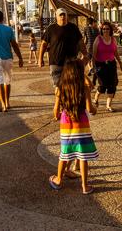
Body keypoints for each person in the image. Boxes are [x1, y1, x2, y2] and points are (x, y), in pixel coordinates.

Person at [49, 61, 98, 195]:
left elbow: (55, 112)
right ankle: (85, 186)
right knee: (83, 156)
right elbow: (90, 108)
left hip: (66, 124)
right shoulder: (84, 88)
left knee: (65, 152)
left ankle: (58, 180)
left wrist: (58, 115)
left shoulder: (60, 88)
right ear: (80, 73)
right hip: (81, 124)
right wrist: (95, 110)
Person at [38, 8, 87, 88]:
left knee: (71, 87)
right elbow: (44, 44)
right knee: (58, 87)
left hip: (71, 62)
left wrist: (85, 54)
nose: (62, 17)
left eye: (64, 15)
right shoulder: (51, 29)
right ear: (56, 17)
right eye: (60, 15)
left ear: (67, 16)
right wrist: (40, 59)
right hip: (56, 63)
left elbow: (80, 42)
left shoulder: (73, 28)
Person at [93, 21, 122, 112]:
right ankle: (96, 98)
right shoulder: (98, 39)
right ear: (101, 30)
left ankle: (108, 105)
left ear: (110, 30)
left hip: (111, 65)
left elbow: (115, 52)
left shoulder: (113, 39)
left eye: (107, 29)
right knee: (103, 85)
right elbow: (94, 54)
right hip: (100, 65)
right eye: (103, 29)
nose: (105, 30)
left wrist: (120, 63)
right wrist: (93, 66)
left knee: (112, 85)